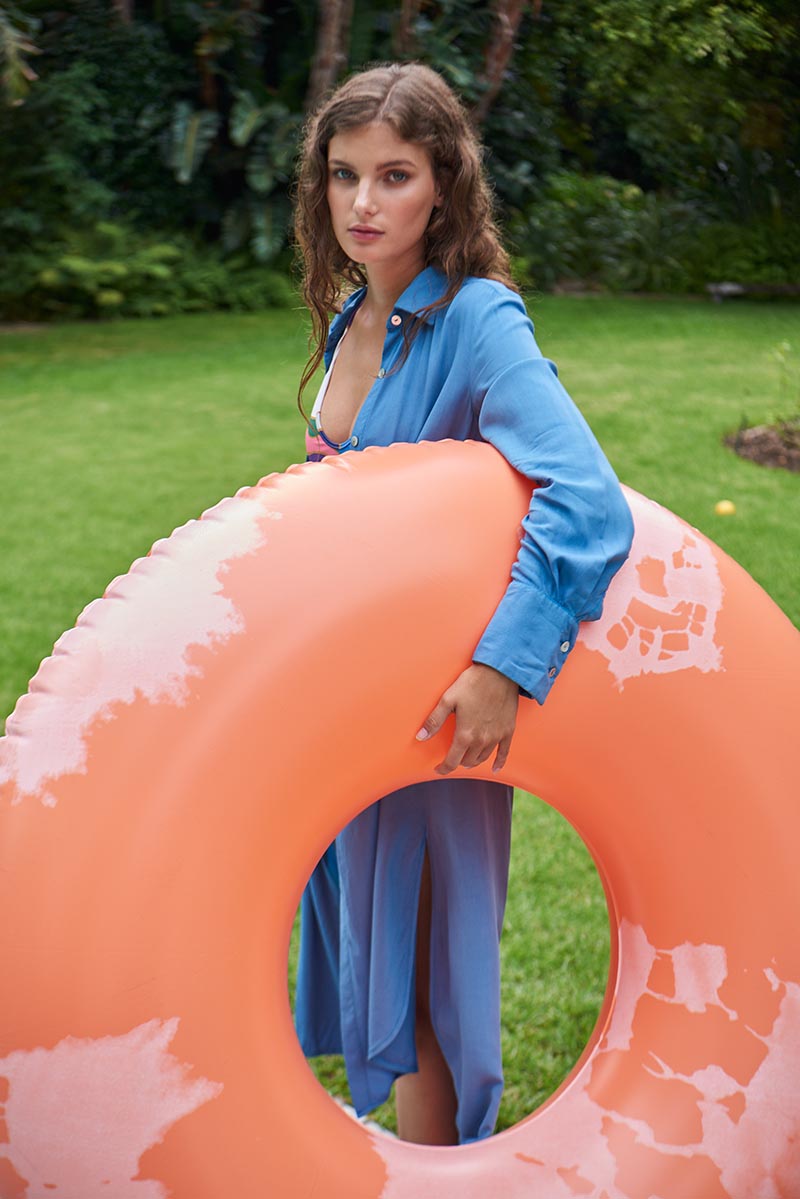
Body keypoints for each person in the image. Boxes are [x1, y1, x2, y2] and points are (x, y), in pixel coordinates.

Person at [292, 61, 633, 1147]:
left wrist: (502, 665)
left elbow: (586, 501)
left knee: (432, 966)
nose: (362, 202)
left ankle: (440, 1166)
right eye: (343, 174)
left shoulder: (478, 319)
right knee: (372, 942)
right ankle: (406, 1151)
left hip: (441, 700)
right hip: (347, 696)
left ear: (444, 183)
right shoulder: (351, 317)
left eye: (394, 175)